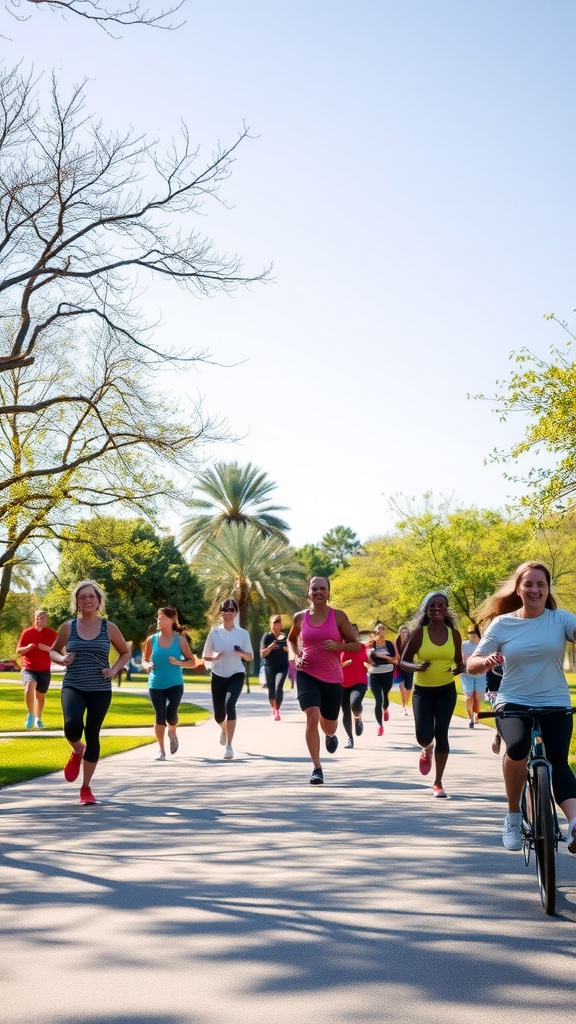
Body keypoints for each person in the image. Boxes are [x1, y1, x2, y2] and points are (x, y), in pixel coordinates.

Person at [466, 561, 576, 854]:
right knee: (517, 746)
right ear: (518, 588)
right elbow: (472, 664)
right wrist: (486, 661)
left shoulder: (561, 619)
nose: (535, 589)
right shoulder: (503, 623)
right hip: (513, 700)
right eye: (528, 584)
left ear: (548, 588)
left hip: (554, 701)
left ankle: (575, 824)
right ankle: (513, 815)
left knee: (558, 760)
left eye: (541, 584)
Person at [50, 580, 131, 805]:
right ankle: (77, 750)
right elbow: (54, 651)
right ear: (77, 601)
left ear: (98, 601)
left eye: (91, 597)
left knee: (93, 733)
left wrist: (114, 670)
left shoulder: (109, 627)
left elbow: (125, 652)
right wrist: (62, 658)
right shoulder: (68, 626)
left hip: (100, 688)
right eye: (82, 597)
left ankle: (85, 788)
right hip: (73, 684)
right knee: (72, 726)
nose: (87, 600)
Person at [288, 576, 360, 785]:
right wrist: (296, 655)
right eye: (314, 588)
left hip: (331, 676)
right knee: (312, 715)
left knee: (329, 724)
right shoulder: (299, 618)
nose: (318, 592)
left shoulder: (338, 617)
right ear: (308, 592)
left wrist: (339, 647)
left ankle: (329, 735)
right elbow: (292, 638)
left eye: (323, 588)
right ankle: (317, 768)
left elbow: (355, 645)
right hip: (307, 673)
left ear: (328, 592)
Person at [400, 591, 464, 798]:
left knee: (442, 733)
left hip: (446, 690)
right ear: (426, 610)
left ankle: (438, 782)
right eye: (432, 606)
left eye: (441, 605)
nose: (436, 608)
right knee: (424, 736)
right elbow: (403, 661)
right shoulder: (420, 633)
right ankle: (426, 748)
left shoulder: (453, 634)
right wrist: (417, 666)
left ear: (446, 610)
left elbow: (459, 662)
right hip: (422, 692)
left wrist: (459, 670)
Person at [142, 607, 202, 761]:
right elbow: (145, 659)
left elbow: (192, 662)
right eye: (158, 617)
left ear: (171, 620)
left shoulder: (180, 640)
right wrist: (147, 665)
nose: (158, 620)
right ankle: (161, 750)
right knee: (160, 716)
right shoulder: (152, 639)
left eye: (162, 617)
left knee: (171, 715)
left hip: (175, 683)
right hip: (155, 683)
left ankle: (173, 730)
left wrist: (178, 662)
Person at [202, 597, 253, 760]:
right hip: (218, 675)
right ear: (221, 612)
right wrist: (214, 657)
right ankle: (223, 728)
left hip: (236, 674)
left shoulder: (242, 633)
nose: (228, 612)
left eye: (231, 609)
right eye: (224, 609)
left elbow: (250, 656)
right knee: (218, 715)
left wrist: (242, 654)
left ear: (236, 612)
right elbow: (205, 655)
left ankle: (229, 746)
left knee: (230, 705)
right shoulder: (215, 632)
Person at [16, 609, 58, 729]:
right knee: (30, 685)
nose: (39, 620)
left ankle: (38, 719)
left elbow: (60, 651)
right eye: (37, 618)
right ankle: (30, 714)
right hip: (29, 668)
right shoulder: (27, 633)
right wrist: (28, 647)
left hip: (44, 670)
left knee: (40, 696)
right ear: (34, 619)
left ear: (46, 620)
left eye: (42, 618)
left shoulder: (52, 634)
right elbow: (18, 651)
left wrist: (48, 649)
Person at [367, 622, 398, 735]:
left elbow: (395, 660)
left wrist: (383, 656)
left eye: (383, 629)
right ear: (375, 632)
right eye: (378, 629)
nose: (381, 631)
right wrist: (370, 660)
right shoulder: (371, 645)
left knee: (385, 697)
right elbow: (366, 659)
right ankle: (380, 726)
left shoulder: (390, 644)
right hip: (374, 675)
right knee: (378, 700)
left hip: (387, 674)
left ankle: (385, 709)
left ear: (385, 632)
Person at [340, 624, 368, 748]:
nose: (352, 632)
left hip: (359, 680)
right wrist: (344, 664)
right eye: (349, 630)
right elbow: (336, 665)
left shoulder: (361, 647)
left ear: (357, 633)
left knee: (355, 703)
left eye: (354, 630)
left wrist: (369, 664)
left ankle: (358, 718)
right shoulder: (340, 647)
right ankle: (349, 738)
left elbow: (365, 661)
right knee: (345, 711)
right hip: (342, 683)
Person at [259, 614, 289, 720]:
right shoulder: (267, 637)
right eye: (274, 623)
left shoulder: (284, 637)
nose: (276, 625)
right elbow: (262, 654)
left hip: (282, 666)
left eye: (278, 622)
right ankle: (273, 707)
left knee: (279, 686)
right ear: (270, 624)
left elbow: (293, 650)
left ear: (280, 625)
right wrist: (270, 647)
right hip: (269, 666)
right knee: (271, 689)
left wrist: (287, 649)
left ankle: (277, 710)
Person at [460, 628, 484, 728]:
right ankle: (470, 716)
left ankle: (475, 715)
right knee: (469, 696)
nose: (472, 635)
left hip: (480, 674)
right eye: (470, 633)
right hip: (466, 675)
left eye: (474, 633)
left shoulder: (483, 644)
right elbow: (457, 657)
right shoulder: (464, 645)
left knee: (478, 696)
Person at [394, 625, 414, 715]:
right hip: (400, 667)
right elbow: (395, 653)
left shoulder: (411, 642)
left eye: (405, 632)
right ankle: (404, 707)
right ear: (399, 633)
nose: (403, 633)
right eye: (402, 631)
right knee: (403, 687)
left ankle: (406, 704)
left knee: (409, 688)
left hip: (409, 667)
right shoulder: (396, 642)